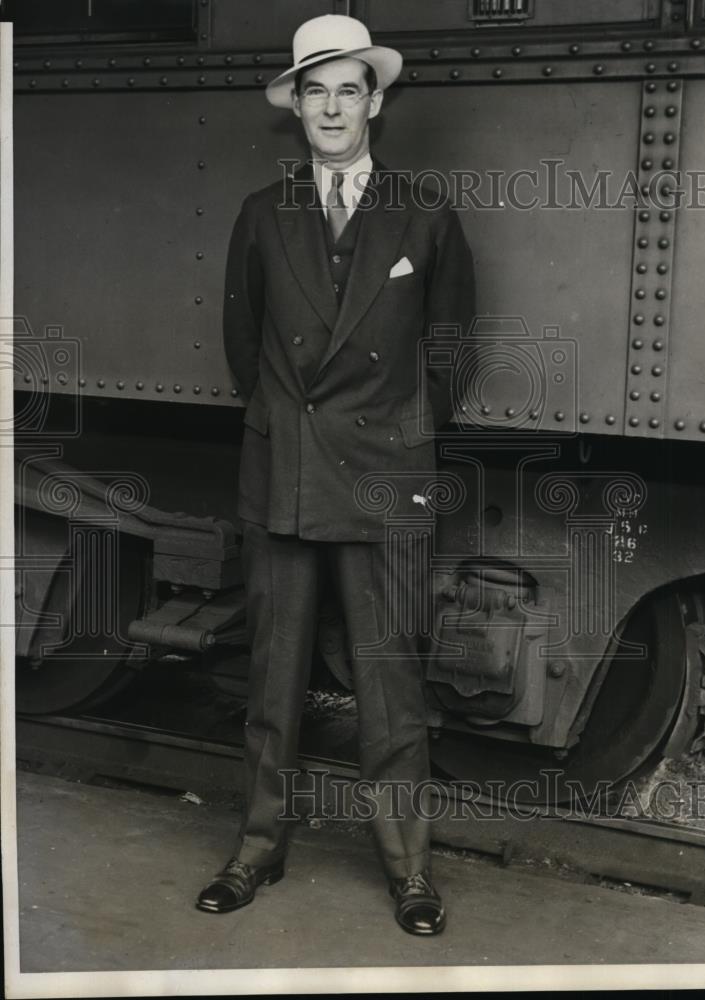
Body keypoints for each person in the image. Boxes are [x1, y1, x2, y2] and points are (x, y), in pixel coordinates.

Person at [196, 13, 475, 936]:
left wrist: (394, 439)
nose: (329, 106)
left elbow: (449, 356)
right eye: (312, 91)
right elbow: (246, 348)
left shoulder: (425, 213)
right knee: (270, 684)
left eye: (346, 89)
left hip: (386, 476)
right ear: (296, 107)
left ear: (374, 103)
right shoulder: (258, 213)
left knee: (391, 689)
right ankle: (254, 852)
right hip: (288, 473)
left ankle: (408, 871)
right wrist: (292, 426)